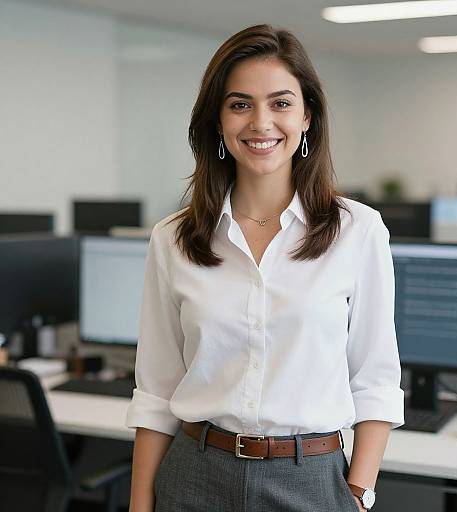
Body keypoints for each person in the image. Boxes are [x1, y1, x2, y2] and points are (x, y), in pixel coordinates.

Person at [126, 24, 404, 512]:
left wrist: (358, 493)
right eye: (240, 104)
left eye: (280, 103)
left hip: (313, 480)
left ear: (307, 118)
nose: (260, 122)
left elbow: (375, 380)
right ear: (217, 121)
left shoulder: (357, 230)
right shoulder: (172, 237)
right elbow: (156, 390)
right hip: (194, 473)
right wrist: (139, 505)